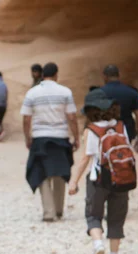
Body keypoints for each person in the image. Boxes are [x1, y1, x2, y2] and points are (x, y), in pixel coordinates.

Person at [68, 89, 130, 254]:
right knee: (117, 217)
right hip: (121, 177)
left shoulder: (91, 130)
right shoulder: (120, 126)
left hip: (98, 178)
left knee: (93, 215)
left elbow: (85, 158)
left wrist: (74, 181)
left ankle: (97, 244)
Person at [22, 62, 79, 222]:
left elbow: (26, 118)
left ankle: (48, 212)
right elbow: (72, 117)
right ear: (56, 74)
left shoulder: (32, 93)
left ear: (41, 75)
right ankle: (59, 210)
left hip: (40, 138)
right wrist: (76, 137)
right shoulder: (65, 92)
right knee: (60, 172)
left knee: (41, 173)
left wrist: (28, 137)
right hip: (60, 137)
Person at [101, 64, 138, 151]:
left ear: (105, 77)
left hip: (105, 132)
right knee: (124, 158)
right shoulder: (131, 92)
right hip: (126, 132)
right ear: (118, 76)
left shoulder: (99, 93)